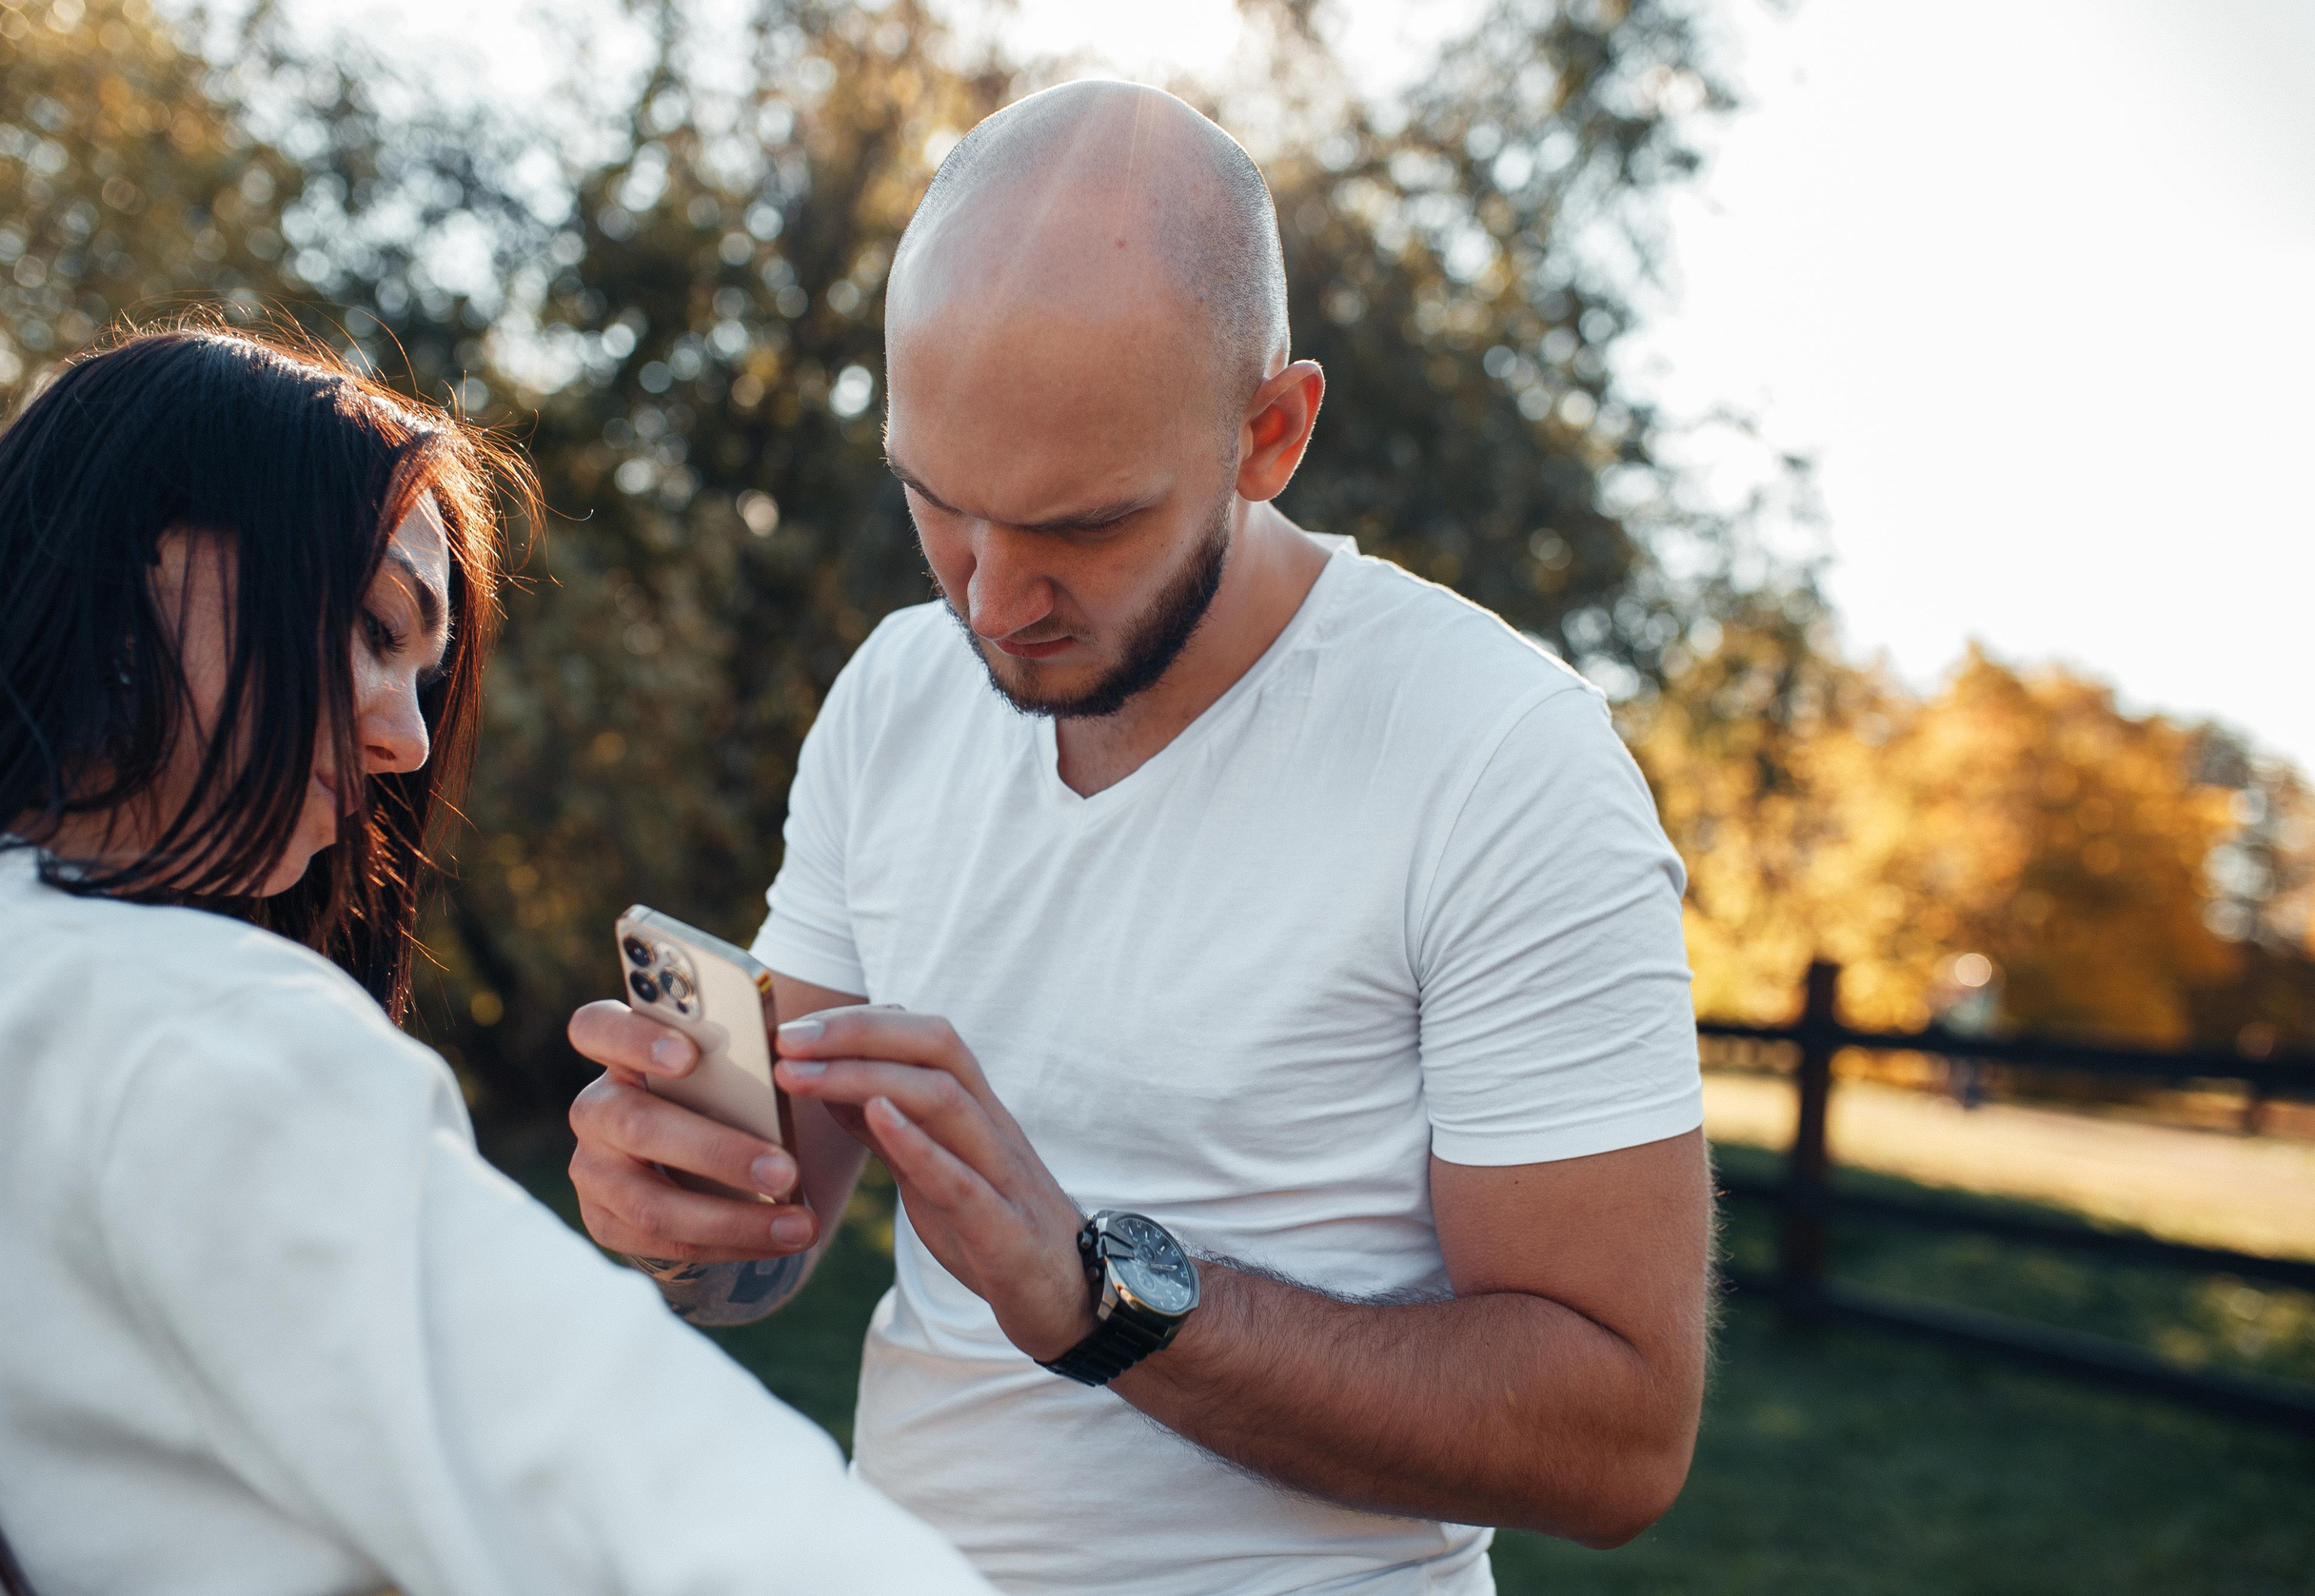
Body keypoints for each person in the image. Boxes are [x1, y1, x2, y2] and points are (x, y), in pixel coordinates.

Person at [568, 81, 1712, 1594]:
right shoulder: (897, 693)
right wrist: (681, 1214)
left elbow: (1618, 1441)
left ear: (1270, 432)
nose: (989, 602)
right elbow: (769, 1241)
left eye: (1084, 527)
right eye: (942, 507)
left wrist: (1096, 1294)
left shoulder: (1499, 756)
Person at [0, 325, 991, 1595]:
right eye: (371, 626)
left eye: (426, 670)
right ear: (136, 569)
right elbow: (687, 1519)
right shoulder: (197, 1033)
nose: (409, 740)